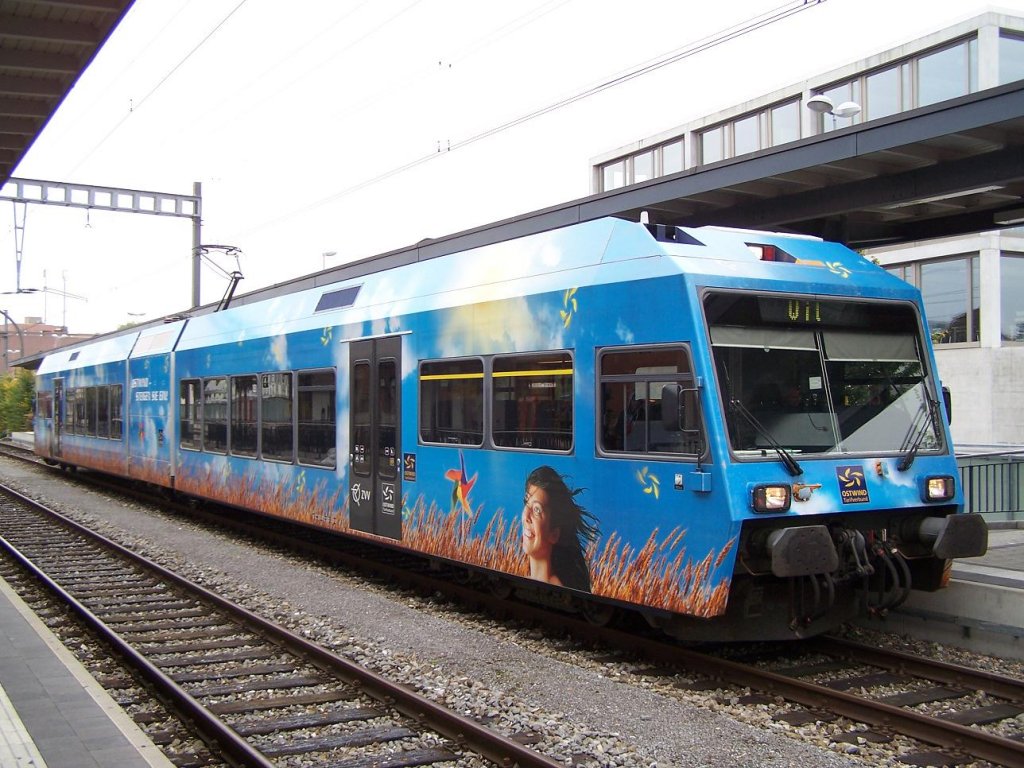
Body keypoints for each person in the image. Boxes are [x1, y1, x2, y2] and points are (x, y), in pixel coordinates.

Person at [521, 466, 599, 592]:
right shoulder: (537, 583)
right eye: (526, 502)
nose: (526, 516)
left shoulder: (554, 589)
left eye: (537, 510)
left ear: (554, 534)